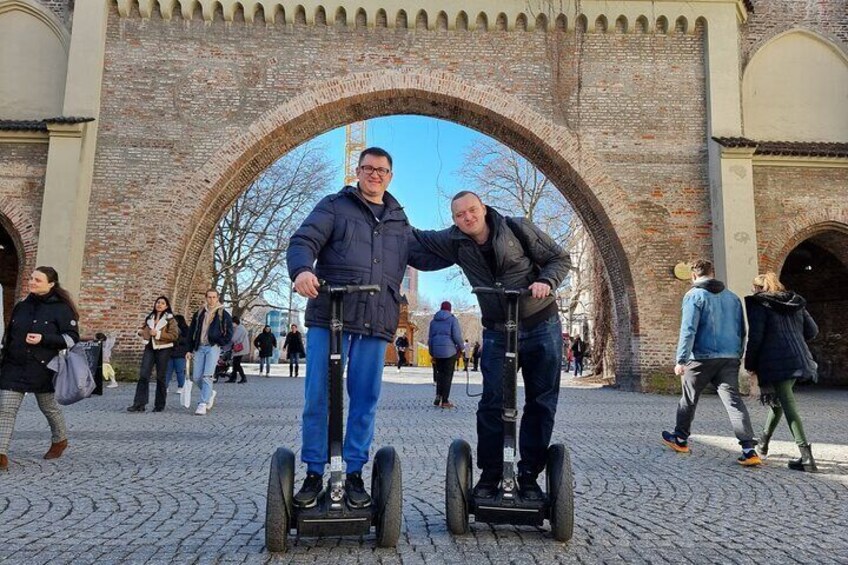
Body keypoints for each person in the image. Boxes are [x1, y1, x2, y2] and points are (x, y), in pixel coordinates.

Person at [287, 146, 444, 510]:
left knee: (365, 399)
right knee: (318, 396)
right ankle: (313, 471)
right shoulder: (333, 206)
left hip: (375, 318)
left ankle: (354, 471)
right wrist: (302, 270)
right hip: (331, 313)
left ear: (390, 176)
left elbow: (431, 249)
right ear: (357, 172)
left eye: (382, 170)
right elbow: (304, 240)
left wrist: (470, 237)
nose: (375, 174)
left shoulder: (398, 221)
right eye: (369, 168)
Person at [412, 190, 571, 501]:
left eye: (472, 210)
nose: (467, 218)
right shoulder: (455, 240)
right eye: (460, 215)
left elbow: (559, 258)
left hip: (541, 323)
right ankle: (492, 472)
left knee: (541, 401)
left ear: (482, 208)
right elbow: (419, 239)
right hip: (498, 329)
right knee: (492, 402)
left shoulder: (517, 228)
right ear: (454, 220)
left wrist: (546, 282)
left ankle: (528, 474)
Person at [661, 260, 761, 466]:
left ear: (693, 276)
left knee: (688, 398)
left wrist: (681, 359)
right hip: (729, 358)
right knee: (734, 402)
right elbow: (742, 329)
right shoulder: (732, 298)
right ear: (713, 274)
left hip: (700, 359)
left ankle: (680, 439)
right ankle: (749, 449)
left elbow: (688, 329)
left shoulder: (693, 296)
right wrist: (737, 353)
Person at [0, 267, 79, 471]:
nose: (32, 282)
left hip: (43, 367)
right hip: (14, 367)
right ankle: (1, 455)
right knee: (5, 410)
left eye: (37, 279)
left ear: (51, 284)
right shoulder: (21, 307)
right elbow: (9, 336)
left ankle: (60, 439)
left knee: (49, 408)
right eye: (31, 278)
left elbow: (72, 339)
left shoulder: (62, 309)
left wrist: (44, 339)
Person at [745, 272, 820, 472]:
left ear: (759, 289)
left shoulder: (760, 304)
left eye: (754, 288)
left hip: (775, 361)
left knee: (788, 406)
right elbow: (812, 331)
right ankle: (763, 444)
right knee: (779, 402)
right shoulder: (795, 303)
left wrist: (749, 364)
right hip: (799, 358)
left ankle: (806, 458)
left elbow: (756, 337)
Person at [127, 296, 179, 413]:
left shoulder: (171, 320)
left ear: (166, 306)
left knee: (160, 377)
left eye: (162, 303)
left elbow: (174, 336)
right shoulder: (150, 318)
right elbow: (145, 330)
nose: (159, 305)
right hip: (150, 348)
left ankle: (159, 404)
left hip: (164, 349)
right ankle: (139, 404)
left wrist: (158, 334)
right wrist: (142, 332)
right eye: (158, 302)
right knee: (144, 375)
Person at [187, 289, 233, 416]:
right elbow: (191, 332)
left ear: (217, 298)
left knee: (207, 376)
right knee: (196, 377)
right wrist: (189, 349)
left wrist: (220, 342)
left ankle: (203, 403)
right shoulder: (199, 313)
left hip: (213, 347)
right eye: (209, 297)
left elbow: (229, 332)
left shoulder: (223, 314)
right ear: (205, 298)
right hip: (199, 347)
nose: (211, 300)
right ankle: (210, 392)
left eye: (214, 297)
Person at [428, 301, 464, 409]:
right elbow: (457, 336)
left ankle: (438, 395)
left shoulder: (433, 322)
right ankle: (445, 401)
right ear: (450, 309)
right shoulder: (453, 320)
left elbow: (430, 338)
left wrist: (432, 351)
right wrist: (461, 348)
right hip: (450, 352)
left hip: (437, 352)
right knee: (447, 376)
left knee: (440, 374)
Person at [165, 314, 190, 393]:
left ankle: (181, 386)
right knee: (168, 371)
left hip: (180, 354)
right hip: (170, 352)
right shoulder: (170, 329)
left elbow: (187, 341)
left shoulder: (185, 330)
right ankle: (165, 386)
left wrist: (177, 339)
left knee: (180, 371)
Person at [228, 316, 250, 384]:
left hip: (240, 349)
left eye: (232, 323)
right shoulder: (239, 327)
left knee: (237, 364)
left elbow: (234, 339)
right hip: (240, 348)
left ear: (235, 322)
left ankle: (243, 377)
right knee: (235, 363)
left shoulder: (239, 329)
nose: (231, 324)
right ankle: (233, 378)